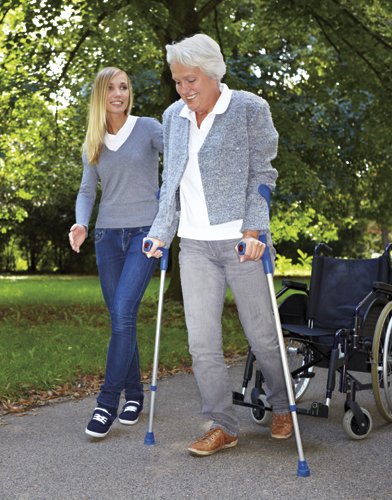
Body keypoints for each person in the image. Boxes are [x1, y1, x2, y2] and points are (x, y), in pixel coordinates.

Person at [142, 34, 292, 456]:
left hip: (243, 244)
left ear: (212, 74)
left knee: (263, 336)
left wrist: (255, 230)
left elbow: (263, 175)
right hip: (194, 247)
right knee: (202, 343)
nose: (184, 89)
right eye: (177, 81)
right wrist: (160, 232)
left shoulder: (248, 108)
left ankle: (283, 406)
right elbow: (169, 185)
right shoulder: (173, 117)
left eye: (191, 80)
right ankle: (222, 424)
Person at [69, 67, 163, 438]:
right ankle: (135, 394)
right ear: (100, 95)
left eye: (124, 87)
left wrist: (167, 214)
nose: (119, 93)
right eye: (111, 88)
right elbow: (87, 191)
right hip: (107, 238)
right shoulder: (93, 140)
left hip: (145, 236)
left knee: (123, 312)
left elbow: (179, 162)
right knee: (119, 319)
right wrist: (81, 223)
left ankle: (106, 403)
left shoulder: (149, 128)